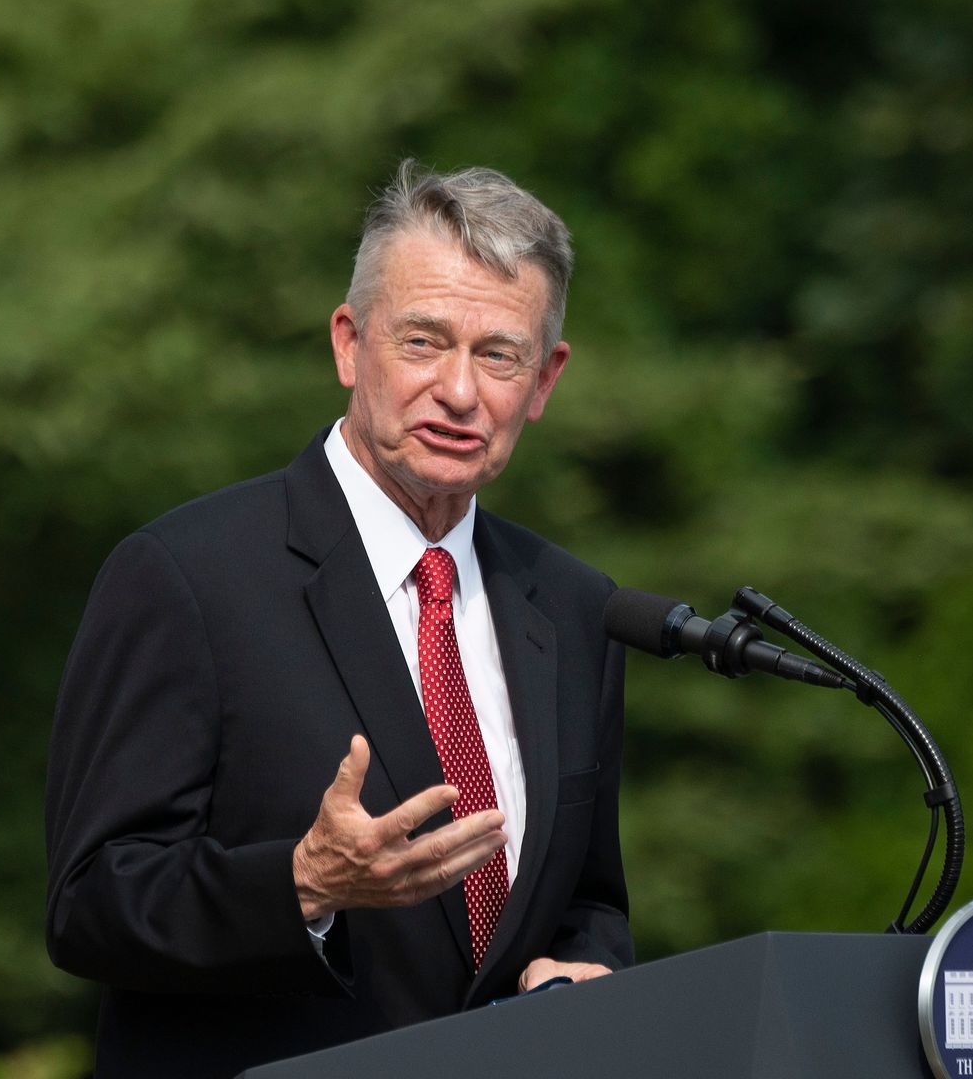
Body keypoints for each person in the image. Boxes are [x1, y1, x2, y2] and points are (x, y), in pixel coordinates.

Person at [45, 162, 632, 1077]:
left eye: (498, 354)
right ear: (349, 344)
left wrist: (584, 972)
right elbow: (91, 907)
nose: (460, 392)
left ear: (546, 380)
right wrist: (304, 885)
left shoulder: (571, 603)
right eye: (424, 342)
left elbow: (588, 902)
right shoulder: (189, 576)